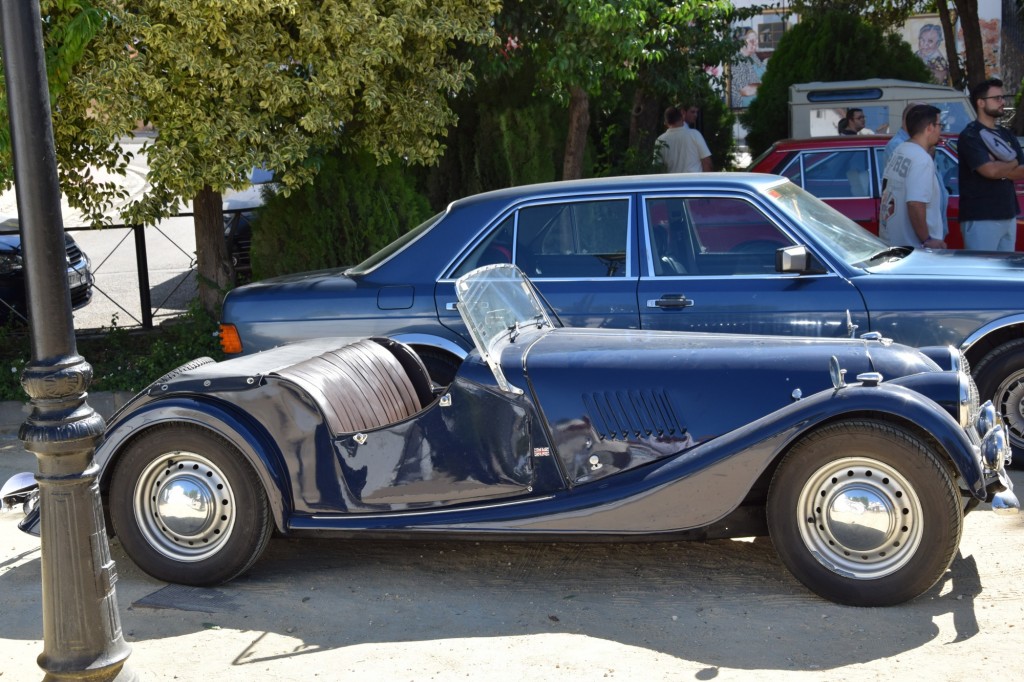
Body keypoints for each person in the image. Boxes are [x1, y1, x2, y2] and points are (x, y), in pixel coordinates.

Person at [957, 77, 1024, 251]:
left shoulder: (1006, 134)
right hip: (981, 217)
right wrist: (1012, 161)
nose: (1002, 102)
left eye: (1003, 97)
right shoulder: (970, 135)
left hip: (1008, 214)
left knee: (1005, 268)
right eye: (997, 98)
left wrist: (1001, 164)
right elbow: (990, 171)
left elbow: (1021, 170)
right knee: (982, 267)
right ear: (981, 103)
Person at [879, 104, 947, 249]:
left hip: (895, 243)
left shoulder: (900, 150)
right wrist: (927, 239)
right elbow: (915, 204)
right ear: (930, 128)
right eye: (940, 125)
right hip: (915, 249)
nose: (940, 131)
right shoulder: (921, 159)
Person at [654, 106, 713, 173]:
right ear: (682, 117)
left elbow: (657, 168)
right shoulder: (694, 134)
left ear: (666, 123)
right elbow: (707, 162)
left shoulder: (660, 140)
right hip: (694, 178)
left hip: (672, 179)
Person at [730, 27, 766, 108]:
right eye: (752, 41)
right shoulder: (735, 60)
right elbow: (745, 90)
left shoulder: (752, 56)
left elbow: (765, 71)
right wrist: (768, 85)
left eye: (756, 40)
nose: (755, 43)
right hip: (744, 108)